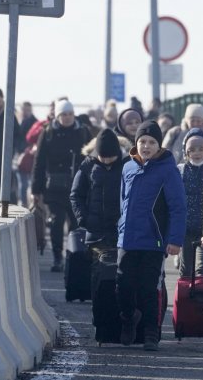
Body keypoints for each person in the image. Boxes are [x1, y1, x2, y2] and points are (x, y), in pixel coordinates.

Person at [117, 120, 186, 351]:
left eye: (151, 142)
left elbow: (178, 207)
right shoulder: (128, 167)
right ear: (136, 143)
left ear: (159, 145)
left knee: (149, 289)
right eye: (142, 141)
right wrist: (120, 228)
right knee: (123, 286)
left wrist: (175, 240)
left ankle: (150, 333)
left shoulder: (168, 170)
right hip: (127, 239)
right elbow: (123, 202)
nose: (146, 146)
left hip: (154, 241)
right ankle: (128, 319)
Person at [31, 99, 92, 272]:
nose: (67, 118)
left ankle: (72, 256)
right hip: (54, 188)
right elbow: (39, 162)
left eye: (70, 114)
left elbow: (92, 157)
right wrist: (36, 189)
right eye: (63, 115)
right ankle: (58, 257)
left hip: (78, 186)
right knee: (56, 223)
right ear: (57, 116)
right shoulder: (48, 132)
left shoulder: (83, 131)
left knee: (76, 224)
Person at [70, 128, 126, 303]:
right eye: (103, 158)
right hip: (96, 232)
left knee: (121, 275)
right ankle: (100, 314)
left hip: (122, 231)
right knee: (99, 273)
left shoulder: (128, 165)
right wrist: (83, 219)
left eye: (111, 157)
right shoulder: (88, 166)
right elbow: (76, 195)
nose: (107, 161)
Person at [177, 127, 203, 277]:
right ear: (186, 152)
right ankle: (185, 297)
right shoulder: (180, 170)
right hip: (186, 228)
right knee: (186, 268)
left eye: (201, 149)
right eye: (192, 150)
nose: (197, 153)